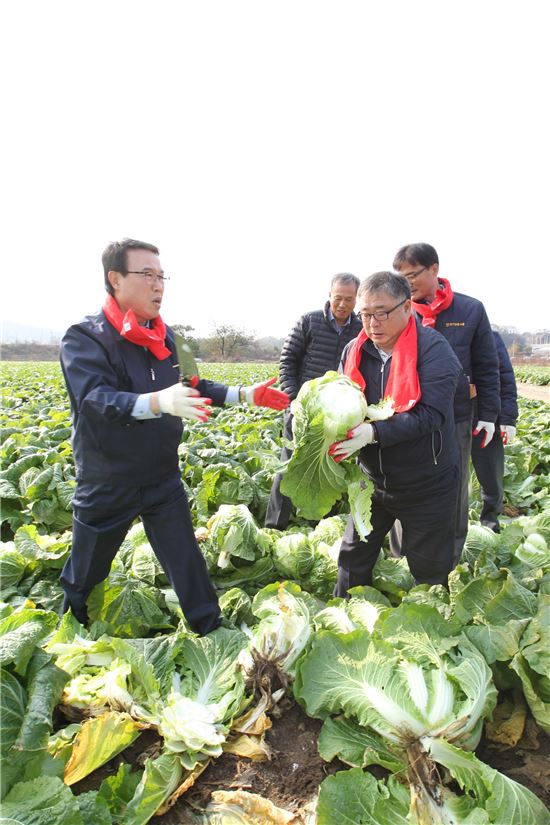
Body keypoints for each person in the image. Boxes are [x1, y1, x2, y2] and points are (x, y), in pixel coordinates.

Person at [59, 238, 289, 636]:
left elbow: (195, 383)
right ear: (114, 279)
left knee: (186, 560)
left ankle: (212, 632)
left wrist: (244, 394)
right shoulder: (86, 338)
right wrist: (157, 402)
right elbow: (95, 399)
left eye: (161, 276)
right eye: (146, 275)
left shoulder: (167, 339)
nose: (158, 285)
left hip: (161, 476)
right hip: (108, 478)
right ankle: (67, 631)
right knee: (86, 570)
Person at [329, 272, 462, 594]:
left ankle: (429, 629)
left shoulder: (434, 351)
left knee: (428, 567)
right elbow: (339, 396)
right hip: (371, 481)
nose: (372, 323)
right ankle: (345, 619)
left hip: (426, 482)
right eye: (365, 314)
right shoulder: (354, 350)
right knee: (352, 556)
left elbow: (430, 414)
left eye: (381, 312)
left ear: (407, 308)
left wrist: (372, 434)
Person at [391, 243, 500, 565]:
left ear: (434, 269)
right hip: (406, 415)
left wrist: (490, 415)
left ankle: (449, 557)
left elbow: (487, 365)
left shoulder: (470, 310)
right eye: (401, 276)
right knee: (401, 483)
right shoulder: (397, 310)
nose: (407, 283)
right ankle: (402, 556)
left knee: (453, 489)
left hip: (456, 416)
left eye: (412, 275)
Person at [264, 273, 362, 529]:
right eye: (338, 298)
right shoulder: (310, 321)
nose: (342, 304)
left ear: (357, 299)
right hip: (303, 411)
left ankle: (321, 527)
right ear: (329, 295)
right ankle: (274, 525)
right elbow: (287, 361)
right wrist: (293, 401)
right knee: (289, 463)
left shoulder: (361, 328)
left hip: (337, 418)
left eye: (349, 299)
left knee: (329, 468)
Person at [471, 330, 518, 532]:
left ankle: (490, 523)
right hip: (453, 417)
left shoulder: (490, 337)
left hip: (486, 414)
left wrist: (508, 418)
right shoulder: (436, 332)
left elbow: (506, 378)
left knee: (490, 474)